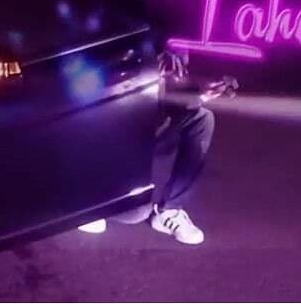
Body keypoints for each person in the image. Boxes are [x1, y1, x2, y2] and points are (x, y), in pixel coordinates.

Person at [78, 52, 229, 246]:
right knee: (135, 212)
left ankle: (169, 210)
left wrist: (197, 91)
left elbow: (167, 103)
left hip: (138, 132)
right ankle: (84, 205)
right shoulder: (123, 55)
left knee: (202, 119)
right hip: (101, 135)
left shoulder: (172, 54)